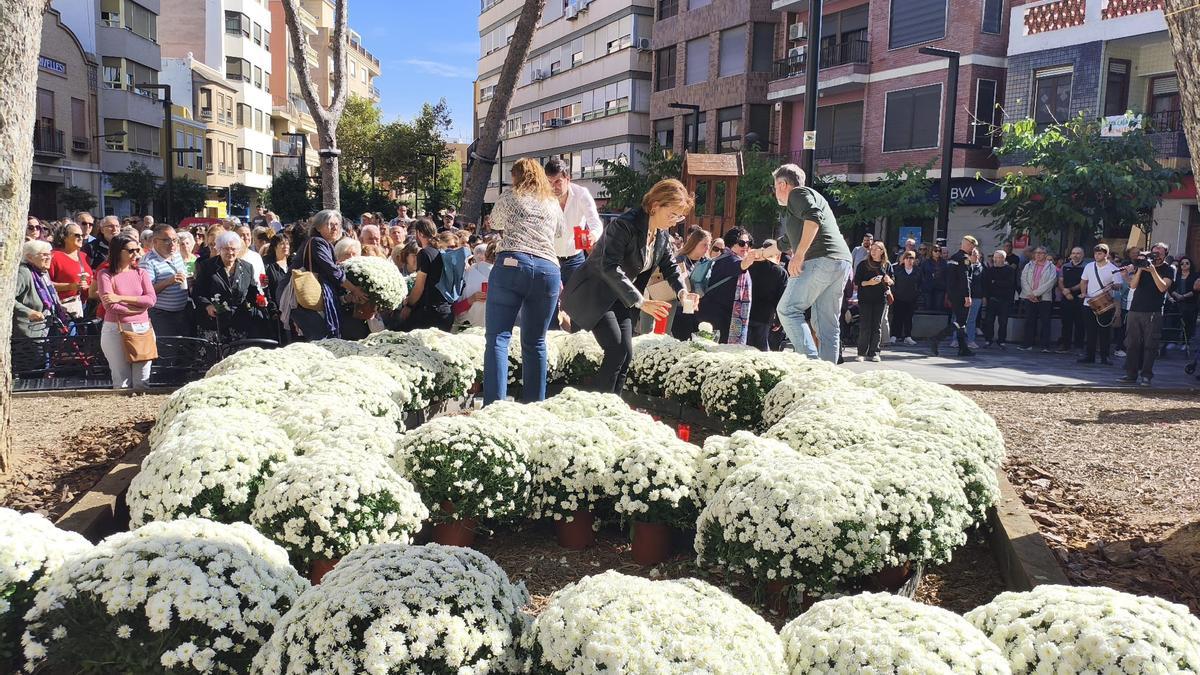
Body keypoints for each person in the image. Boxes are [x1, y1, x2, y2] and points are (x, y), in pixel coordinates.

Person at [562, 178, 696, 394]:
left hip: (623, 299)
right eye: (672, 214)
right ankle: (600, 406)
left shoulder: (661, 234)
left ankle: (614, 405)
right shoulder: (625, 224)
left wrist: (682, 292)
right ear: (654, 206)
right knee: (616, 350)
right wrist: (641, 301)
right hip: (597, 295)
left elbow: (670, 265)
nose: (675, 221)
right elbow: (609, 267)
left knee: (625, 354)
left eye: (679, 216)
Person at [483, 158, 565, 404]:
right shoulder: (551, 202)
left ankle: (495, 406)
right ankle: (535, 405)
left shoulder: (511, 195)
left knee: (498, 337)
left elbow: (495, 222)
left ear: (518, 176)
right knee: (536, 342)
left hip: (512, 262)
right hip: (548, 269)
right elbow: (560, 232)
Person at [772, 164, 853, 363]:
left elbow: (813, 218)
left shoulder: (798, 193)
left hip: (820, 259)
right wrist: (758, 253)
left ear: (783, 184)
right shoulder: (808, 200)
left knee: (787, 309)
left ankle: (810, 365)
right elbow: (784, 243)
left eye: (774, 186)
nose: (775, 192)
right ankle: (826, 377)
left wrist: (799, 255)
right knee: (827, 326)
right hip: (840, 262)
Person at [289, 210, 362, 341]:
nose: (335, 228)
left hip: (320, 299)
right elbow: (333, 271)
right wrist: (354, 289)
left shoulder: (325, 243)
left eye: (337, 224)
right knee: (320, 339)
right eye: (329, 224)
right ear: (317, 227)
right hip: (312, 299)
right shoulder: (317, 242)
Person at [97, 235, 157, 391]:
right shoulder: (105, 274)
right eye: (131, 251)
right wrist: (138, 308)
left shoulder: (141, 273)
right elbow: (110, 306)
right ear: (118, 252)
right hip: (115, 329)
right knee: (121, 382)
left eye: (138, 250)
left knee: (142, 382)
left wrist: (120, 297)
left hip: (143, 329)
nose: (136, 254)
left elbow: (151, 300)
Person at [193, 231, 266, 342]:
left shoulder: (247, 267)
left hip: (239, 321)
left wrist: (260, 299)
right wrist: (207, 306)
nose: (230, 252)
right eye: (226, 248)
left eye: (233, 249)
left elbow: (252, 292)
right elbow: (197, 292)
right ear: (219, 249)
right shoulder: (207, 266)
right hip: (214, 322)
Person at [1121, 243, 1174, 386]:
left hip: (1153, 312)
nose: (1155, 256)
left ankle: (1146, 376)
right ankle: (1131, 374)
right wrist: (1140, 268)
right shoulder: (1143, 267)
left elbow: (1163, 287)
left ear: (1164, 255)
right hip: (1135, 309)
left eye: (1159, 254)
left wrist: (1152, 271)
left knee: (1150, 345)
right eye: (1153, 253)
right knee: (1131, 344)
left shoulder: (1168, 269)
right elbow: (1133, 286)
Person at [544, 159, 602, 290]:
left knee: (577, 304)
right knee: (551, 302)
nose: (553, 187)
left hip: (575, 258)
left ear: (568, 179)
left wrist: (592, 235)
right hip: (550, 259)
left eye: (558, 181)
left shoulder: (581, 194)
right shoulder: (544, 198)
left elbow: (595, 223)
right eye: (549, 182)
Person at [395, 217, 453, 331]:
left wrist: (409, 306)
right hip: (444, 310)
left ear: (419, 233)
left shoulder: (425, 253)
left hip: (429, 312)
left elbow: (419, 286)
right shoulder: (440, 251)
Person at [697, 228, 754, 343]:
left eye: (749, 244)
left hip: (715, 314)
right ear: (731, 243)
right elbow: (741, 266)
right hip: (716, 316)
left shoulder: (725, 257)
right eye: (742, 243)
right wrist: (755, 257)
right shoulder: (729, 259)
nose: (746, 246)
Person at [930, 236, 978, 357]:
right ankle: (937, 338)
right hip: (961, 294)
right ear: (967, 245)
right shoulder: (964, 259)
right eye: (972, 246)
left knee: (961, 323)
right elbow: (964, 278)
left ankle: (963, 348)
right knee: (961, 321)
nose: (973, 248)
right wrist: (967, 296)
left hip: (953, 294)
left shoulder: (953, 258)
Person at [139, 224, 191, 337]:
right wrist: (168, 282)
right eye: (167, 240)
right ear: (155, 241)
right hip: (162, 315)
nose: (172, 244)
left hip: (182, 311)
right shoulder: (148, 262)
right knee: (167, 350)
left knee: (185, 348)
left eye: (174, 240)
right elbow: (146, 293)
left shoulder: (176, 255)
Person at [14, 240, 70, 338]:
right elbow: (7, 300)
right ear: (30, 257)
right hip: (28, 333)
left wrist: (59, 307)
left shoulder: (43, 273)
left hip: (47, 328)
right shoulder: (23, 273)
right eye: (44, 254)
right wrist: (28, 312)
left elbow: (50, 296)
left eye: (49, 254)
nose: (48, 257)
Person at [1077, 243, 1122, 365]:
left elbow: (1119, 285)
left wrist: (1113, 286)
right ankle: (1089, 355)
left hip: (1105, 302)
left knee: (1104, 331)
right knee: (1090, 330)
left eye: (1100, 253)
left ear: (1106, 254)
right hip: (1089, 302)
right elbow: (1083, 281)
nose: (1097, 256)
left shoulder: (1113, 268)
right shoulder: (1089, 266)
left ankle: (1104, 356)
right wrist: (1083, 292)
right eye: (1096, 253)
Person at [670, 226, 711, 340]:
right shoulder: (679, 259)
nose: (707, 248)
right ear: (694, 244)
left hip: (700, 310)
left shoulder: (707, 262)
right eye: (704, 245)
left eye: (709, 245)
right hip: (680, 309)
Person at [854, 240, 893, 361]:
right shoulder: (863, 264)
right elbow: (857, 282)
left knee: (877, 326)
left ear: (882, 251)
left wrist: (888, 280)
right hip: (865, 299)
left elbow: (892, 281)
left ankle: (874, 352)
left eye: (877, 249)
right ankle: (861, 353)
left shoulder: (887, 265)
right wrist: (869, 282)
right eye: (872, 249)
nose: (873, 251)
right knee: (865, 326)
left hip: (880, 299)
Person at [747, 240, 788, 351]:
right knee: (761, 349)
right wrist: (779, 320)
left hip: (746, 311)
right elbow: (781, 298)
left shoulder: (749, 265)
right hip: (765, 315)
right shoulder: (780, 272)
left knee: (742, 347)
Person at [48, 221, 92, 318]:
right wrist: (71, 286)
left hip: (84, 307)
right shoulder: (53, 257)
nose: (81, 238)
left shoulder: (84, 256)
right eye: (77, 235)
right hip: (63, 309)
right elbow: (46, 284)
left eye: (81, 235)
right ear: (64, 237)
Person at [1019, 246, 1057, 352]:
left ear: (1046, 254)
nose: (1038, 254)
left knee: (1045, 322)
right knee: (1029, 321)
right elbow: (1023, 279)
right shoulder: (1028, 265)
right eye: (1037, 253)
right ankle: (1027, 344)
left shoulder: (1051, 267)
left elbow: (1051, 282)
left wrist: (1036, 293)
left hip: (1044, 298)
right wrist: (1030, 294)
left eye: (1041, 253)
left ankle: (1045, 346)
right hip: (1029, 297)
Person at [454, 241, 497, 329]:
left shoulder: (467, 272)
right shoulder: (505, 276)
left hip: (467, 324)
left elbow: (456, 308)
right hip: (491, 328)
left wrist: (471, 299)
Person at [982, 250, 1019, 348]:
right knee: (989, 321)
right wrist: (985, 297)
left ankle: (1001, 340)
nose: (997, 259)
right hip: (991, 299)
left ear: (1004, 258)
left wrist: (995, 282)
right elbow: (986, 285)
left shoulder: (1009, 270)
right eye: (996, 257)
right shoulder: (990, 270)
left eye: (999, 257)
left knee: (1003, 322)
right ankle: (988, 340)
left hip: (1005, 300)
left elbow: (1009, 284)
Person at [1057, 246, 1087, 353]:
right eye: (1073, 253)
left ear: (1082, 255)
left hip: (1080, 297)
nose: (1075, 255)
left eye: (1078, 253)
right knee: (1066, 322)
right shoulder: (1065, 266)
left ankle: (1079, 345)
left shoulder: (1086, 267)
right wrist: (1064, 291)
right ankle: (1065, 344)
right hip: (1066, 297)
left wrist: (1069, 290)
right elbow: (1060, 280)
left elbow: (1084, 282)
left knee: (1080, 322)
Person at [890, 250, 920, 345]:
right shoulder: (897, 270)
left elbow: (921, 284)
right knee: (897, 317)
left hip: (911, 299)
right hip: (898, 298)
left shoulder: (918, 271)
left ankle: (908, 336)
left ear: (914, 260)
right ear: (903, 259)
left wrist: (917, 293)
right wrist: (895, 292)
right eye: (907, 258)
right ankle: (894, 335)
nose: (909, 260)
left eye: (911, 258)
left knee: (909, 318)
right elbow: (893, 283)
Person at [1167, 255, 1197, 350]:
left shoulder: (1195, 276)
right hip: (1178, 303)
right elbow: (1171, 288)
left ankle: (1186, 343)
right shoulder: (1177, 276)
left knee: (1188, 323)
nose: (1184, 265)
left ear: (1190, 265)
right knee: (1175, 321)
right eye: (1182, 263)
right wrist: (1177, 295)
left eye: (1187, 263)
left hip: (1190, 303)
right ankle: (1173, 341)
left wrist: (1184, 296)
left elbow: (1196, 290)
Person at [961, 248, 985, 350]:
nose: (973, 256)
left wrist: (984, 296)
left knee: (971, 320)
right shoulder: (965, 265)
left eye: (975, 254)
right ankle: (955, 340)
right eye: (971, 254)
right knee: (958, 318)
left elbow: (985, 284)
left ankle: (971, 340)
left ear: (979, 256)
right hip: (964, 295)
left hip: (976, 296)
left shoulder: (982, 268)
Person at [235, 224, 267, 290]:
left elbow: (263, 279)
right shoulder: (233, 256)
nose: (246, 237)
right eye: (242, 235)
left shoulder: (256, 256)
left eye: (248, 234)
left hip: (256, 295)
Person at [263, 234, 291, 304]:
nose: (286, 246)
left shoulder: (292, 262)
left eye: (287, 244)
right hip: (276, 307)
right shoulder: (267, 265)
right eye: (282, 244)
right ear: (275, 247)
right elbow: (266, 289)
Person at [919, 245, 947, 312]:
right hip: (928, 287)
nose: (937, 252)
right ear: (931, 252)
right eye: (935, 251)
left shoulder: (944, 262)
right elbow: (921, 274)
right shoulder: (926, 262)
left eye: (939, 251)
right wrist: (923, 284)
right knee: (928, 306)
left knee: (939, 306)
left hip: (940, 287)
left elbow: (946, 275)